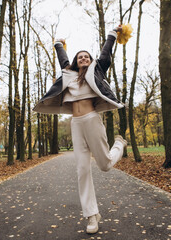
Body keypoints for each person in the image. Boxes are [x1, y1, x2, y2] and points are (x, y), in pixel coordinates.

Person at [33, 26, 127, 234]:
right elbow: (62, 59)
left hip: (92, 120)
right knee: (82, 170)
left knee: (105, 165)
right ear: (76, 61)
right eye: (80, 57)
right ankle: (92, 216)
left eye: (86, 56)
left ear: (91, 60)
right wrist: (58, 44)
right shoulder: (68, 74)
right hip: (76, 124)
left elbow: (105, 53)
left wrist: (112, 33)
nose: (83, 58)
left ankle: (119, 145)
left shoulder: (97, 70)